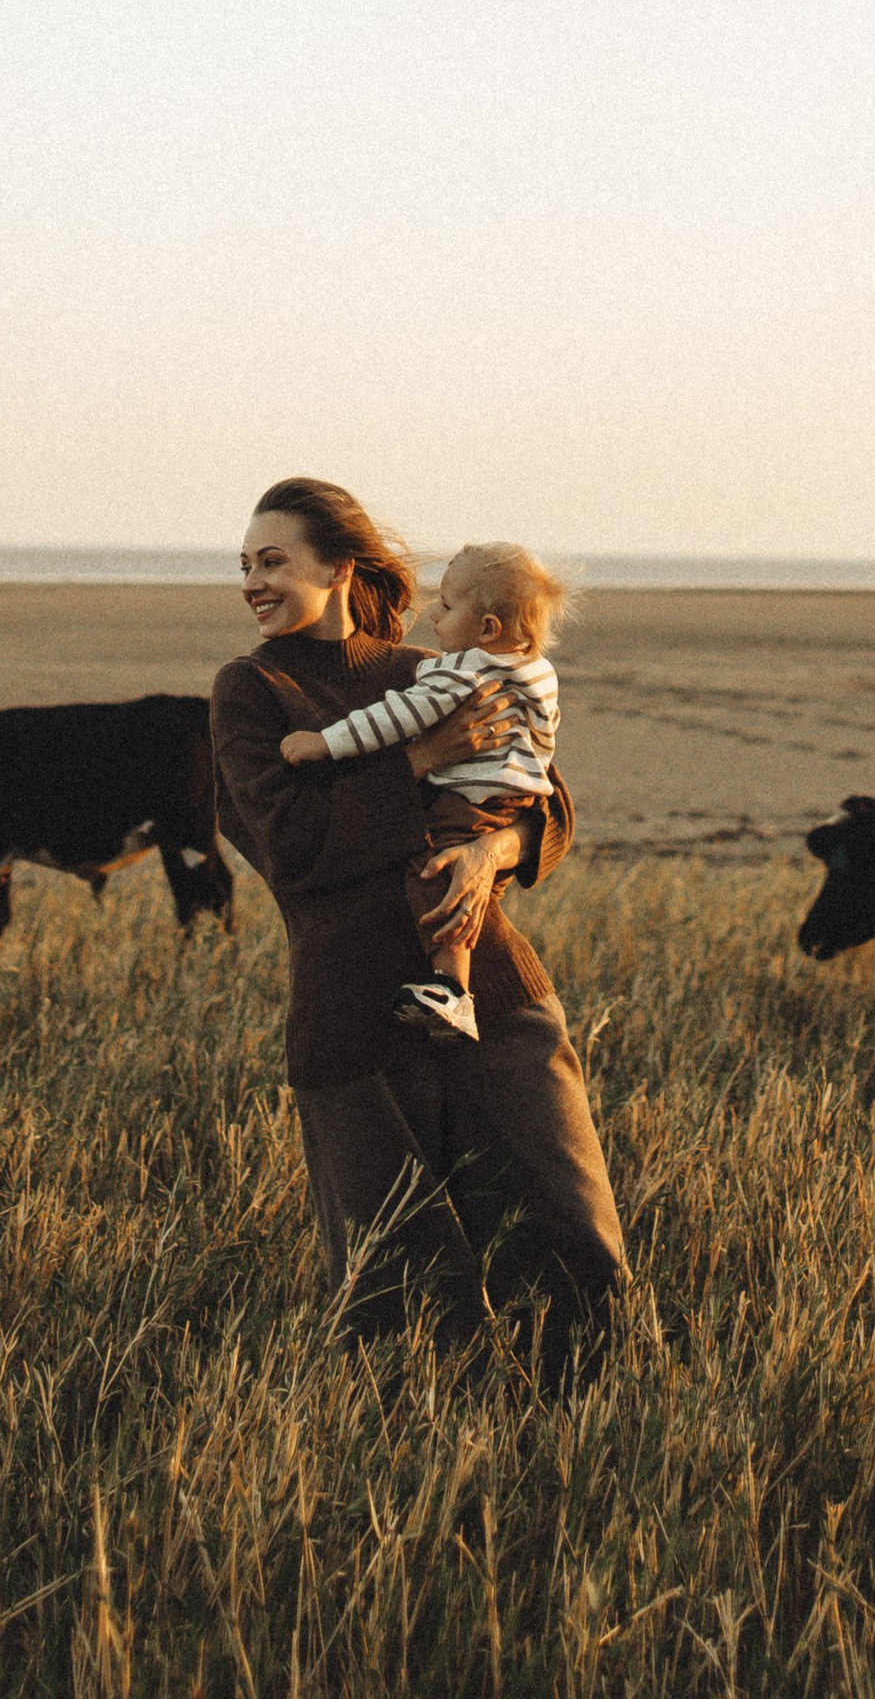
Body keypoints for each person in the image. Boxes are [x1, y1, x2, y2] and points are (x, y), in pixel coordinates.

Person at [210, 477, 625, 1379]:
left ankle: (588, 1462)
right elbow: (291, 848)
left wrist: (490, 855)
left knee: (576, 1252)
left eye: (273, 561)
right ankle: (422, 1495)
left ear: (339, 569)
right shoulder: (252, 691)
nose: (253, 581)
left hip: (496, 992)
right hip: (353, 1016)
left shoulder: (428, 671)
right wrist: (419, 764)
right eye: (245, 565)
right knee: (400, 1304)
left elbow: (549, 808)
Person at [278, 540, 563, 1044]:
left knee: (437, 874)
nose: (433, 615)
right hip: (511, 798)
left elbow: (391, 718)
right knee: (463, 879)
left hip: (469, 809)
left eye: (448, 606)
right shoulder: (533, 671)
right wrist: (429, 760)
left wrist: (325, 743)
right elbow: (292, 838)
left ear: (341, 572)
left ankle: (452, 989)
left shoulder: (461, 671)